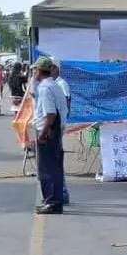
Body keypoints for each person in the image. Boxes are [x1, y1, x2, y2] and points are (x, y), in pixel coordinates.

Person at [31, 57, 69, 215]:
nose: (33, 73)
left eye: (34, 70)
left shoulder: (46, 88)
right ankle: (53, 200)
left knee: (47, 169)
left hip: (49, 132)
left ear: (39, 71)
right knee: (54, 168)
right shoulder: (52, 85)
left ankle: (52, 202)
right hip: (54, 131)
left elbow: (51, 114)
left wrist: (43, 133)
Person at [49, 58, 72, 204]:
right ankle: (60, 191)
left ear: (56, 69)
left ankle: (62, 192)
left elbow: (65, 107)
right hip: (55, 126)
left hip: (57, 127)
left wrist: (60, 123)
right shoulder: (53, 84)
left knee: (56, 160)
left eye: (51, 68)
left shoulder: (62, 85)